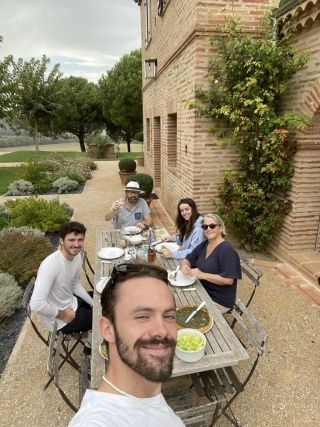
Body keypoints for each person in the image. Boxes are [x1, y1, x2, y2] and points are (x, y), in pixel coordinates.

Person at [69, 263, 185, 427]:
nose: (162, 330)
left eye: (169, 316)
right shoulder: (97, 421)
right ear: (108, 330)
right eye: (142, 316)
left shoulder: (147, 392)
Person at [30, 221, 93, 333]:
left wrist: (92, 303)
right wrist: (62, 314)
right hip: (60, 321)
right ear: (61, 241)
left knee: (102, 300)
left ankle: (89, 342)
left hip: (71, 302)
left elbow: (75, 284)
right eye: (71, 240)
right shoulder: (51, 265)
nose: (77, 244)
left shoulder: (77, 256)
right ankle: (93, 342)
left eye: (80, 240)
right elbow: (36, 304)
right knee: (106, 317)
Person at [181, 213, 241, 313]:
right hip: (202, 289)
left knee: (186, 312)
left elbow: (228, 280)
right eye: (205, 226)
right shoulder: (204, 244)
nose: (208, 229)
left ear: (220, 228)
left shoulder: (227, 251)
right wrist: (184, 266)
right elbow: (188, 259)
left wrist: (203, 275)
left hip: (218, 300)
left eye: (212, 226)